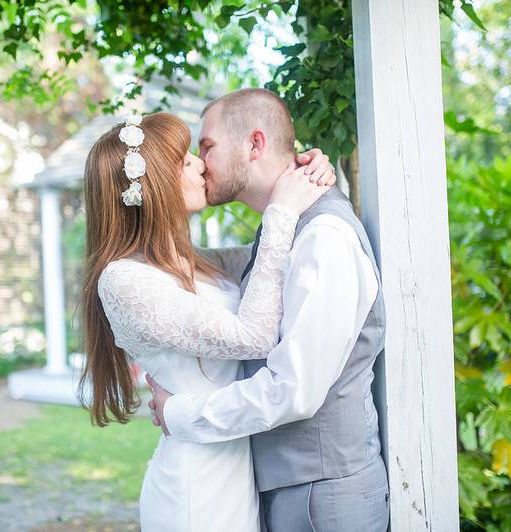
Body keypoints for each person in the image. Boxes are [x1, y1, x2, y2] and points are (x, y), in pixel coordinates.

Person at [147, 88, 390, 531]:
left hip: (324, 498)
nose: (200, 164)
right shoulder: (284, 231)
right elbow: (204, 268)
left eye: (207, 146)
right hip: (291, 491)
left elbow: (292, 389)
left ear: (254, 144)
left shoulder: (325, 237)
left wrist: (181, 413)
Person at [79, 111, 335, 531]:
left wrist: (304, 173)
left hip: (234, 469)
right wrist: (280, 210)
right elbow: (253, 336)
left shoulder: (196, 261)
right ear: (154, 185)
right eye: (184, 161)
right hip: (195, 488)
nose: (200, 164)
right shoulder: (125, 279)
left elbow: (270, 262)